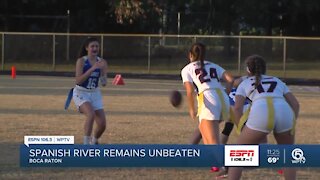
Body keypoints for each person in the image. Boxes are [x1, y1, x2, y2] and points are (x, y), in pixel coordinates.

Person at [228, 55, 300, 180]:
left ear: (248, 70)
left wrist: (241, 128)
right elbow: (295, 104)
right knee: (288, 155)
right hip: (284, 110)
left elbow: (237, 108)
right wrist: (291, 122)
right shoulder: (277, 80)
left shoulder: (244, 83)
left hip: (261, 111)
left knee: (237, 154)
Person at [181, 42, 234, 147]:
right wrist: (225, 95)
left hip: (209, 99)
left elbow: (190, 90)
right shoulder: (213, 65)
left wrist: (191, 109)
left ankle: (223, 163)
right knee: (204, 131)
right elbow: (231, 79)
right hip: (222, 98)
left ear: (190, 55)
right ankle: (214, 162)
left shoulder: (188, 68)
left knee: (213, 142)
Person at [72, 37, 108, 145]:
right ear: (87, 48)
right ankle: (86, 144)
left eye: (97, 46)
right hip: (81, 92)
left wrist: (102, 72)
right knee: (90, 114)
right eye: (92, 46)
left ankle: (94, 140)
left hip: (95, 93)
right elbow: (78, 81)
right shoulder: (81, 61)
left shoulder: (102, 62)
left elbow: (104, 83)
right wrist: (92, 69)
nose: (95, 48)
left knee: (102, 124)